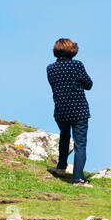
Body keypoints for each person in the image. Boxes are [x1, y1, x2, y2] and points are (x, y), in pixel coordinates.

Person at [46, 38, 93, 184]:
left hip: (61, 110)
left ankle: (61, 167)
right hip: (79, 110)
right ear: (72, 51)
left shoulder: (50, 68)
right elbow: (89, 84)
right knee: (80, 145)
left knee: (64, 138)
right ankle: (78, 178)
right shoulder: (77, 65)